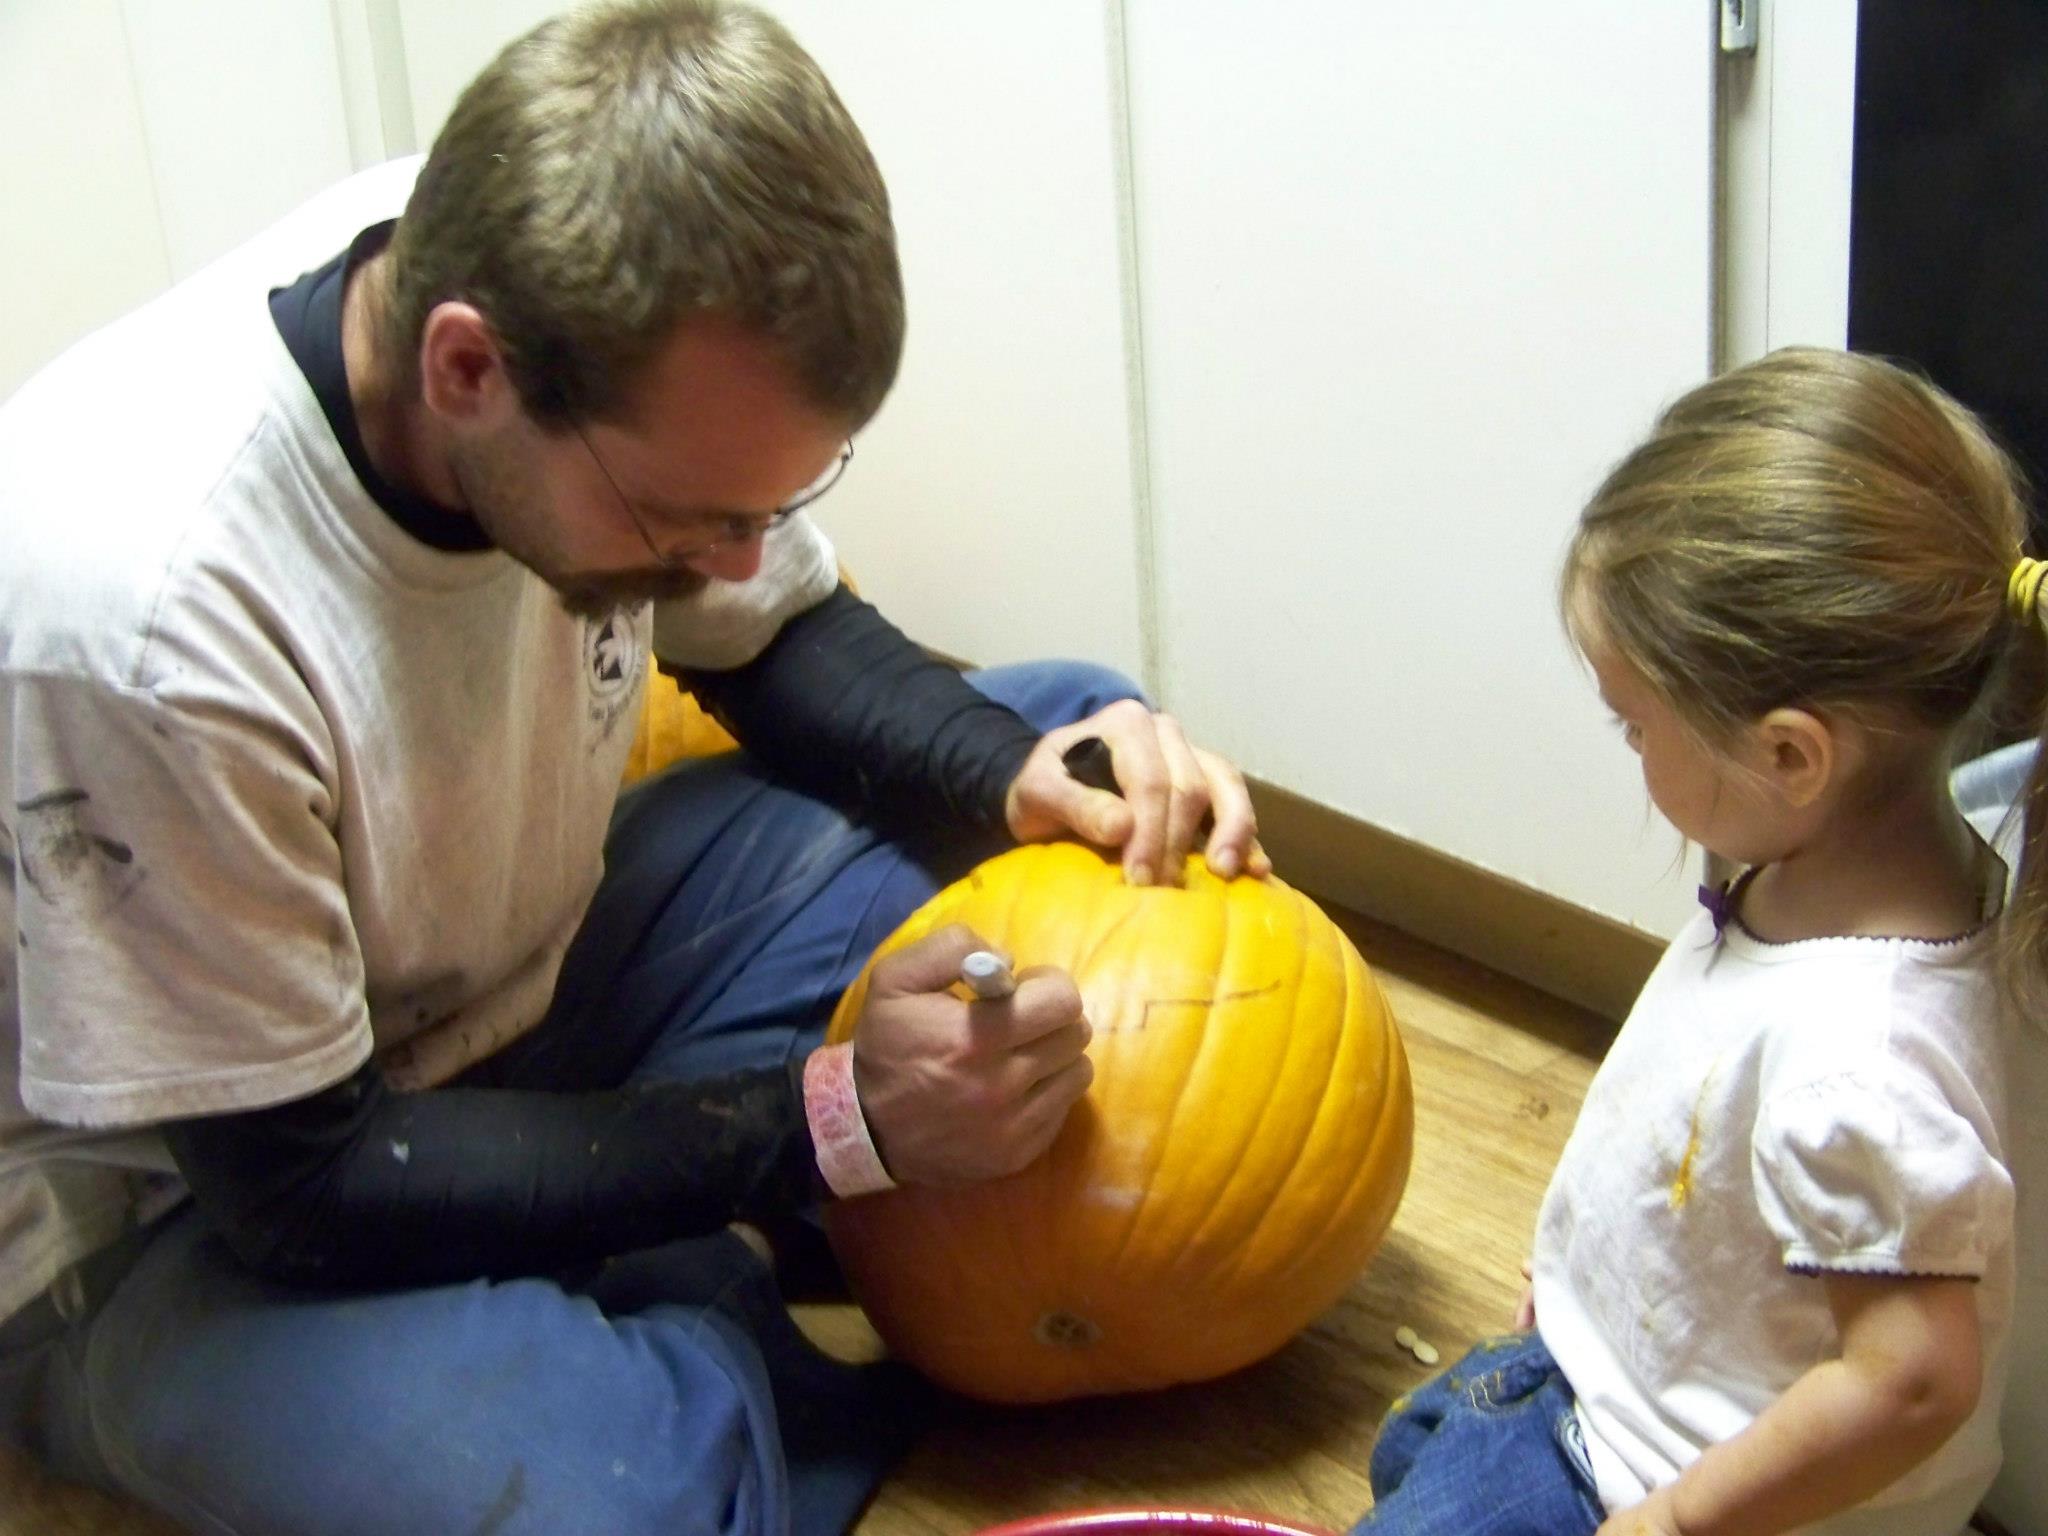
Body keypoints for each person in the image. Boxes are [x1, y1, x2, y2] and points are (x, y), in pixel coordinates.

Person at [0, 3, 1268, 1532]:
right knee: (625, 1498)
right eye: (688, 515)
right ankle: (704, 1278)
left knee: (1066, 742)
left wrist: (1015, 774)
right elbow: (303, 1186)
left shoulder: (507, 269)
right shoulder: (144, 616)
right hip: (173, 1214)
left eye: (775, 500)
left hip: (497, 1009)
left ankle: (658, 1249)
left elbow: (780, 636)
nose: (733, 559)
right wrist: (828, 1123)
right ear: (468, 369)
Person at [1353, 348, 2027, 1536]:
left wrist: (1671, 1522)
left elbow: (1914, 1378)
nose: (1626, 747)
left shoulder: (1854, 1057)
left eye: (1632, 724)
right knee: (1415, 1443)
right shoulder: (1885, 870)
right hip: (1608, 1386)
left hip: (1631, 1479)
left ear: (1786, 754)